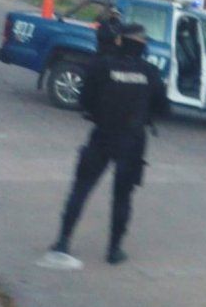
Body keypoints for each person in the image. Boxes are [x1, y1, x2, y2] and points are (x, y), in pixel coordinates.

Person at [50, 24, 169, 264]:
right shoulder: (150, 72)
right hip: (132, 141)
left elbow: (85, 100)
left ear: (119, 42)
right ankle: (114, 250)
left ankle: (63, 240)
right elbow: (164, 108)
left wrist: (100, 113)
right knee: (122, 197)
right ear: (143, 47)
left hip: (103, 135)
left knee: (81, 188)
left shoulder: (102, 66)